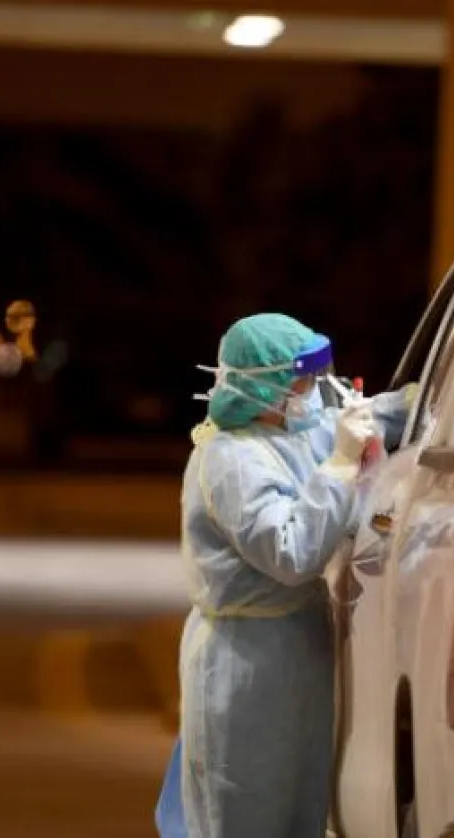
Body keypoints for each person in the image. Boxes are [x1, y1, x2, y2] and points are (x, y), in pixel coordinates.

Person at [159, 313, 414, 838]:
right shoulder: (230, 460)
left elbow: (378, 416)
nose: (313, 391)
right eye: (302, 381)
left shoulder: (293, 430)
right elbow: (291, 554)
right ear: (263, 387)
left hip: (298, 648)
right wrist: (341, 465)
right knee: (244, 808)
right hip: (245, 664)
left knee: (302, 809)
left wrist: (420, 400)